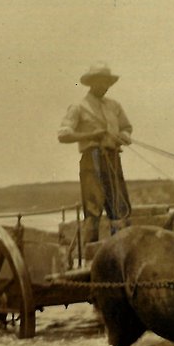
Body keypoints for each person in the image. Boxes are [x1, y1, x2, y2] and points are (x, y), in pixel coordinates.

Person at [57, 62, 133, 247]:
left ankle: (120, 250)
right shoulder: (79, 107)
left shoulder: (114, 106)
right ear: (91, 83)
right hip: (92, 160)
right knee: (93, 208)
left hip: (113, 158)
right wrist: (91, 135)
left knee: (120, 206)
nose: (105, 86)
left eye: (107, 82)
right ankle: (91, 253)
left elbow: (127, 127)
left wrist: (122, 137)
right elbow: (63, 135)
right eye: (101, 82)